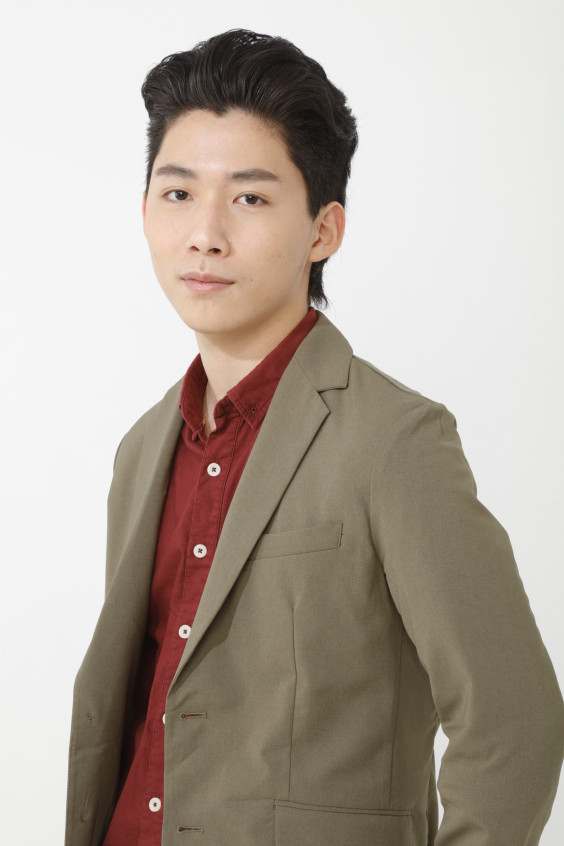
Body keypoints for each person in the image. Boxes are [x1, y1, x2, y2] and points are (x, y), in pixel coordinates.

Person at [65, 28, 564, 846]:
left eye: (250, 199)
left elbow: (514, 724)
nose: (205, 233)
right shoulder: (142, 448)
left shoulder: (395, 439)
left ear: (325, 230)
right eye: (178, 192)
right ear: (145, 209)